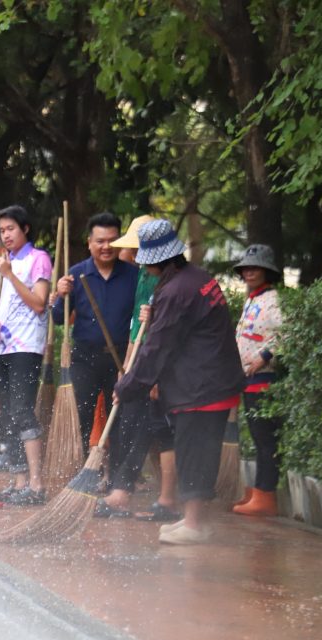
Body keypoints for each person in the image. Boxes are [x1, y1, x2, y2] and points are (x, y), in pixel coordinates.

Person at [115, 219, 245, 545]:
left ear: (157, 260)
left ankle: (196, 524)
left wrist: (128, 386)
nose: (142, 264)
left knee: (194, 452)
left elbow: (158, 347)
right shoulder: (197, 278)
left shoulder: (176, 291)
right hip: (211, 380)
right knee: (196, 450)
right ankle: (193, 519)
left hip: (201, 386)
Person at [97, 216, 180, 520]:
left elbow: (166, 331)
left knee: (148, 427)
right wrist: (127, 368)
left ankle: (127, 491)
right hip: (140, 360)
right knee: (131, 422)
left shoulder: (169, 280)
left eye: (136, 248)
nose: (131, 254)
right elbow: (137, 326)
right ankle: (129, 490)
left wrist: (153, 376)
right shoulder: (144, 274)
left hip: (159, 365)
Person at [0, 205, 52, 505]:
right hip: (2, 347)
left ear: (25, 228)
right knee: (7, 414)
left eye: (11, 228)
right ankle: (19, 481)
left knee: (21, 410)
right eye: (2, 230)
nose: (6, 235)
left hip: (26, 345)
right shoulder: (2, 265)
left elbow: (39, 303)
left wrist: (9, 275)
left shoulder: (38, 259)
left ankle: (36, 484)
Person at [52, 212, 139, 468]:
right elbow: (58, 319)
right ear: (89, 242)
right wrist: (60, 295)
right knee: (81, 414)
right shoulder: (76, 274)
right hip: (84, 358)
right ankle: (79, 472)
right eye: (100, 241)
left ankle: (117, 480)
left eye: (112, 240)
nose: (106, 246)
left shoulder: (134, 276)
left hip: (120, 359)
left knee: (119, 418)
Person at [232, 244, 284, 517]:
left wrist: (263, 357)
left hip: (265, 377)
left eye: (256, 267)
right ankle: (259, 490)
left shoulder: (273, 300)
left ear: (267, 271)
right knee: (257, 436)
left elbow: (287, 333)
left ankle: (266, 494)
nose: (250, 272)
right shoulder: (253, 298)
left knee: (265, 438)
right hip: (249, 379)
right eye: (246, 268)